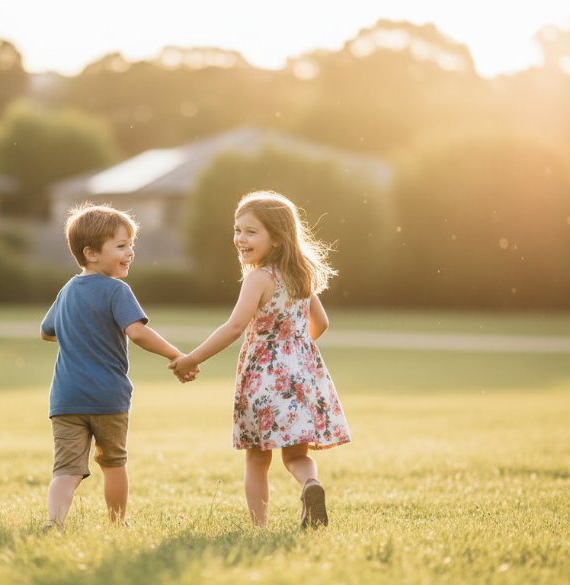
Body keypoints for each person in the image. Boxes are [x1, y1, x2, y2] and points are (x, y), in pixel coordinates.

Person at [170, 190, 351, 529]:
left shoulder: (259, 278)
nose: (240, 238)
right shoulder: (300, 278)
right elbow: (321, 323)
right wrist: (294, 352)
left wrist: (192, 358)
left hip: (264, 380)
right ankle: (311, 484)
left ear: (278, 239)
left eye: (251, 232)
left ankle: (259, 528)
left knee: (257, 456)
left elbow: (235, 326)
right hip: (299, 377)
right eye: (237, 230)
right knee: (297, 455)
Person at [40, 202, 195, 530]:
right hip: (108, 398)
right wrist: (175, 355)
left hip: (65, 399)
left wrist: (77, 332)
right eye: (122, 246)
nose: (131, 252)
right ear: (91, 253)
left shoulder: (66, 291)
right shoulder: (116, 290)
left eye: (132, 245)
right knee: (113, 464)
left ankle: (54, 523)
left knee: (66, 470)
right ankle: (116, 523)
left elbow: (46, 332)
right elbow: (137, 332)